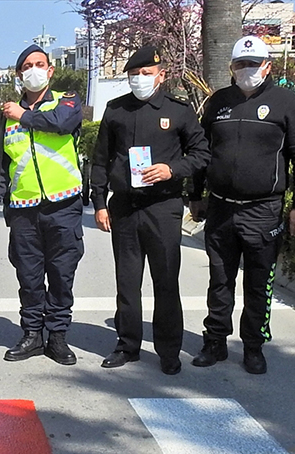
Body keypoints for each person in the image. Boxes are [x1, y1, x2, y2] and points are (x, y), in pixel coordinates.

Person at [91, 46, 211, 375]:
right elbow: (100, 159)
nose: (140, 80)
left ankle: (168, 350)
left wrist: (172, 169)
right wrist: (99, 202)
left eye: (147, 74)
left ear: (161, 75)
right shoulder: (116, 110)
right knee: (127, 283)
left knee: (166, 282)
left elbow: (201, 153)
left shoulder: (179, 110)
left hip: (163, 207)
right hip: (125, 208)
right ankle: (128, 345)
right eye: (134, 75)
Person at [190, 36, 295, 374]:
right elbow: (202, 153)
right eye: (241, 64)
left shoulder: (286, 102)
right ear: (231, 68)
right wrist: (195, 194)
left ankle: (253, 346)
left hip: (263, 210)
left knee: (258, 281)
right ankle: (215, 341)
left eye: (253, 63)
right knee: (219, 279)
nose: (247, 70)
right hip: (221, 208)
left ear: (267, 65)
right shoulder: (219, 102)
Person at [0, 44, 84, 366]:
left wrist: (24, 116)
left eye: (40, 64)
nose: (34, 70)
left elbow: (61, 123)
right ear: (19, 75)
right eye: (27, 66)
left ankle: (58, 337)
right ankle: (32, 334)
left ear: (50, 71)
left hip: (63, 206)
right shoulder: (6, 119)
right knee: (29, 276)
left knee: (62, 275)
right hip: (23, 209)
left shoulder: (67, 101)